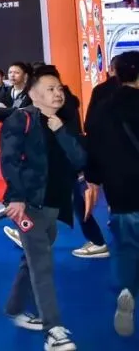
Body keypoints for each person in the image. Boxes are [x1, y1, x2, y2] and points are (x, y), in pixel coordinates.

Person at [0, 65, 86, 351]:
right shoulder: (20, 119)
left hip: (54, 205)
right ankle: (53, 330)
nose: (58, 93)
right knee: (42, 265)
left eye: (59, 88)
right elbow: (9, 160)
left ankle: (14, 307)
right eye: (50, 89)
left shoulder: (62, 121)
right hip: (29, 205)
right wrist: (16, 197)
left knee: (33, 259)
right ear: (34, 94)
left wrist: (61, 131)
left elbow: (79, 159)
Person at [84, 50, 139, 338]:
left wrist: (93, 180)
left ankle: (127, 290)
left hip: (120, 190)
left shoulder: (104, 106)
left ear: (116, 73)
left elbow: (92, 144)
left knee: (127, 246)